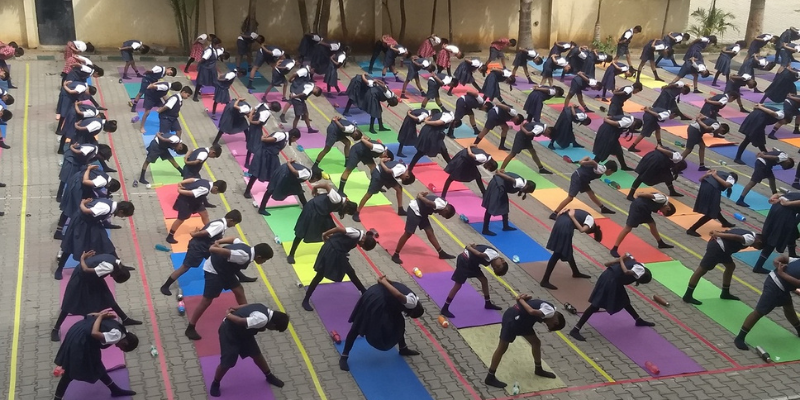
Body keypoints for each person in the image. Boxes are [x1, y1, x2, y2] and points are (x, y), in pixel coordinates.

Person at [185, 238, 274, 340]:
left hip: (226, 270)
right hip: (214, 271)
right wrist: (214, 246)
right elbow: (214, 250)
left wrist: (219, 241)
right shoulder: (243, 256)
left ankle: (247, 317)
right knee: (206, 300)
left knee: (239, 291)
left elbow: (233, 239)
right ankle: (190, 327)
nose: (264, 262)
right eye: (264, 260)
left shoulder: (245, 246)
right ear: (259, 257)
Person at [339, 276, 424, 371]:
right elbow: (398, 295)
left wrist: (384, 281)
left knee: (399, 323)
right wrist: (384, 281)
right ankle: (344, 356)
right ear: (413, 310)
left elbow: (394, 286)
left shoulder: (414, 296)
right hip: (376, 300)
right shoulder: (411, 303)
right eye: (411, 315)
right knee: (358, 325)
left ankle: (403, 348)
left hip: (380, 296)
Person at [51, 250, 140, 342]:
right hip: (81, 279)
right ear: (117, 274)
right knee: (70, 301)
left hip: (93, 278)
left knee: (107, 296)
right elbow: (85, 269)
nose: (111, 277)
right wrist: (82, 258)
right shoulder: (109, 267)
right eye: (114, 277)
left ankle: (125, 318)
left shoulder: (115, 261)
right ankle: (55, 329)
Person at [483, 294, 565, 388]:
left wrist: (524, 300)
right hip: (513, 320)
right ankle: (490, 377)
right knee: (502, 347)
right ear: (555, 322)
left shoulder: (551, 307)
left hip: (524, 321)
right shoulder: (549, 312)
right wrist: (520, 299)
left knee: (536, 342)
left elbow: (529, 305)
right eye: (548, 325)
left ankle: (538, 369)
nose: (545, 323)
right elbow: (531, 311)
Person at [568, 254, 654, 341]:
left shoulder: (632, 262)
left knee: (624, 300)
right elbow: (626, 272)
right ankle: (575, 329)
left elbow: (606, 264)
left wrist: (619, 260)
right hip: (610, 281)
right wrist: (621, 259)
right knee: (595, 305)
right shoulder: (638, 269)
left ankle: (638, 319)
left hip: (609, 278)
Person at [160, 210, 247, 296]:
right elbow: (205, 232)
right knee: (185, 267)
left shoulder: (221, 224)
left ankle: (241, 277)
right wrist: (194, 234)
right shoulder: (220, 225)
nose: (234, 226)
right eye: (235, 223)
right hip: (198, 248)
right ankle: (165, 286)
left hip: (207, 247)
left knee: (223, 261)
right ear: (231, 220)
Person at [53, 311, 138, 399]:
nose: (117, 346)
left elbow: (89, 315)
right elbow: (94, 333)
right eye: (121, 347)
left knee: (96, 365)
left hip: (78, 330)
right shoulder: (117, 335)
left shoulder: (121, 328)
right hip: (81, 340)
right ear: (125, 343)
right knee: (71, 371)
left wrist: (100, 315)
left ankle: (114, 389)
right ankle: (57, 398)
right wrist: (100, 317)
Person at [209, 303, 289, 396]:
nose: (271, 330)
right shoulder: (262, 319)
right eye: (274, 329)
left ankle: (269, 376)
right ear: (274, 324)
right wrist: (228, 315)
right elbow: (240, 321)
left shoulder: (263, 307)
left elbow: (246, 305)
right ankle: (215, 383)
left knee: (256, 354)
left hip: (244, 332)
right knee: (227, 362)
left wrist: (235, 307)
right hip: (229, 332)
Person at [55, 199, 135, 280]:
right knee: (71, 245)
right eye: (123, 216)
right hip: (81, 224)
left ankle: (119, 265)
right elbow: (85, 211)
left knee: (106, 243)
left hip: (93, 223)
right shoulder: (105, 208)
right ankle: (59, 268)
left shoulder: (111, 205)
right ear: (121, 211)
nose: (122, 217)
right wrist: (82, 203)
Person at [733, 254, 800, 351]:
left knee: (788, 307)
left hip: (782, 286)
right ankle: (739, 338)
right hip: (775, 285)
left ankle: (799, 329)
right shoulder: (797, 260)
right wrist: (777, 262)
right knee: (759, 312)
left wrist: (781, 273)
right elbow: (784, 259)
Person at [301, 227, 376, 311]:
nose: (360, 246)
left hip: (338, 253)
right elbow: (338, 229)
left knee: (350, 272)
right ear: (363, 241)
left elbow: (341, 236)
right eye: (362, 246)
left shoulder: (358, 237)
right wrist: (325, 235)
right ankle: (306, 299)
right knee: (320, 275)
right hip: (331, 252)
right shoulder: (356, 233)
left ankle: (363, 291)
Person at [683, 229, 764, 305]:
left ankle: (725, 292)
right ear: (759, 242)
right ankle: (687, 296)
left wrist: (718, 232)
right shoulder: (751, 239)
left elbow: (730, 231)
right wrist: (717, 234)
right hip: (718, 249)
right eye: (755, 246)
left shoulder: (748, 232)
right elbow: (734, 236)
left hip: (722, 249)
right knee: (702, 270)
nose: (751, 247)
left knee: (731, 266)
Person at [286, 182, 357, 264]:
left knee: (334, 232)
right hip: (312, 210)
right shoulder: (337, 198)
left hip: (323, 213)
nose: (345, 213)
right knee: (301, 232)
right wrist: (315, 188)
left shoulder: (342, 204)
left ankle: (338, 250)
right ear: (347, 208)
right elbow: (326, 185)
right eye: (347, 212)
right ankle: (291, 254)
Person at [54, 165, 121, 240]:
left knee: (92, 199)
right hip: (78, 186)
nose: (105, 189)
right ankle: (58, 231)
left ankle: (104, 222)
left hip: (78, 182)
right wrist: (88, 169)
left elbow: (94, 187)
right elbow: (85, 181)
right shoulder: (103, 181)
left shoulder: (105, 176)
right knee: (71, 208)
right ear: (109, 185)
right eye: (107, 189)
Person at [440, 244, 508, 318]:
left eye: (494, 268)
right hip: (464, 261)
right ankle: (445, 308)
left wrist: (473, 245)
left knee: (484, 280)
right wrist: (469, 247)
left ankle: (487, 303)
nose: (494, 266)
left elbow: (479, 246)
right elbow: (479, 254)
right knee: (458, 285)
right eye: (497, 266)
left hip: (472, 263)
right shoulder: (493, 254)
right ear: (502, 260)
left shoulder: (493, 255)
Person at [541, 209, 599, 289]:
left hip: (559, 223)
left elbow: (568, 211)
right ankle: (545, 280)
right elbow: (582, 230)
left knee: (567, 248)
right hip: (565, 227)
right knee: (557, 253)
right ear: (592, 227)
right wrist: (572, 217)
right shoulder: (590, 221)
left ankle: (575, 272)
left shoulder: (584, 214)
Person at [391, 192, 456, 264]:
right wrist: (420, 196)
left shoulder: (444, 202)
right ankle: (395, 255)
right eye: (442, 214)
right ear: (446, 210)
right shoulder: (441, 205)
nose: (440, 214)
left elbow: (431, 199)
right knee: (408, 233)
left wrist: (422, 195)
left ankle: (441, 253)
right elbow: (428, 202)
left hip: (422, 212)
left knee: (430, 231)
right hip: (414, 210)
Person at [609, 192, 676, 257]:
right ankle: (614, 248)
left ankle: (660, 243)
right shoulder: (663, 199)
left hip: (645, 209)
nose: (660, 212)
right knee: (628, 228)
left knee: (652, 224)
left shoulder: (663, 200)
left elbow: (654, 193)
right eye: (663, 212)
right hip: (638, 208)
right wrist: (640, 194)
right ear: (668, 208)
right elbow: (650, 195)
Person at [550, 157, 617, 219]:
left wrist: (582, 161)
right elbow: (593, 162)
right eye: (612, 172)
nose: (611, 174)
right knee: (570, 197)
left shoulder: (601, 167)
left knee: (591, 193)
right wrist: (583, 162)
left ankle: (603, 208)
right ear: (609, 170)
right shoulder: (602, 170)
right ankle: (554, 213)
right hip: (578, 178)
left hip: (583, 179)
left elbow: (588, 157)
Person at [244, 129, 301, 201]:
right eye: (295, 139)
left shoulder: (285, 138)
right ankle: (247, 191)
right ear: (293, 137)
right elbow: (269, 139)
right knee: (257, 172)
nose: (295, 141)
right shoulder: (282, 135)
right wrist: (263, 138)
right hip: (264, 155)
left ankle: (274, 190)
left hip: (272, 156)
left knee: (275, 173)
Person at [166, 178, 227, 244]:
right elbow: (191, 193)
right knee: (181, 219)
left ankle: (210, 230)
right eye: (217, 192)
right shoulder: (205, 189)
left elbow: (192, 179)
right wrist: (180, 191)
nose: (216, 193)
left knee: (205, 215)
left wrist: (182, 182)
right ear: (216, 188)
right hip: (186, 201)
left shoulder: (206, 181)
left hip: (197, 201)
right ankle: (170, 236)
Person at [752, 193, 800, 274]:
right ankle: (758, 266)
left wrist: (773, 198)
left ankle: (792, 255)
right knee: (775, 238)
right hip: (784, 212)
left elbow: (778, 194)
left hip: (777, 208)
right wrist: (788, 203)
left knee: (792, 231)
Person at [481, 171, 536, 236]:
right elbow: (509, 178)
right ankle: (485, 229)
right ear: (527, 186)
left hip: (501, 186)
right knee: (491, 207)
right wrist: (499, 173)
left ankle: (505, 226)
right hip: (497, 185)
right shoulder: (521, 183)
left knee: (504, 204)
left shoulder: (523, 183)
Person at [257, 161, 322, 216]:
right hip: (285, 174)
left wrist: (289, 163)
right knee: (271, 190)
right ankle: (261, 209)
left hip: (285, 172)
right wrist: (288, 163)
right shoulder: (307, 175)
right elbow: (294, 172)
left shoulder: (307, 170)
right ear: (315, 177)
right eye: (316, 180)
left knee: (299, 190)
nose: (314, 182)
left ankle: (305, 206)